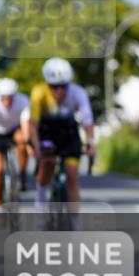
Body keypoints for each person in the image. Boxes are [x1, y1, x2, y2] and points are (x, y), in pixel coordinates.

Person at [25, 58, 95, 210]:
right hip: (47, 131)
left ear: (68, 84)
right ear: (47, 84)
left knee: (72, 173)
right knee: (48, 161)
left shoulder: (78, 92)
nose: (59, 91)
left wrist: (90, 143)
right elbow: (33, 124)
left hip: (68, 132)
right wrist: (36, 147)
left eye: (63, 86)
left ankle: (75, 225)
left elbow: (87, 120)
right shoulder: (39, 92)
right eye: (54, 87)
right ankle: (41, 196)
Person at [0, 78, 30, 209]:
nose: (7, 101)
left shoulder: (23, 100)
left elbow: (25, 125)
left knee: (23, 141)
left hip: (14, 129)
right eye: (4, 97)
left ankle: (23, 175)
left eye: (10, 97)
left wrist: (27, 142)